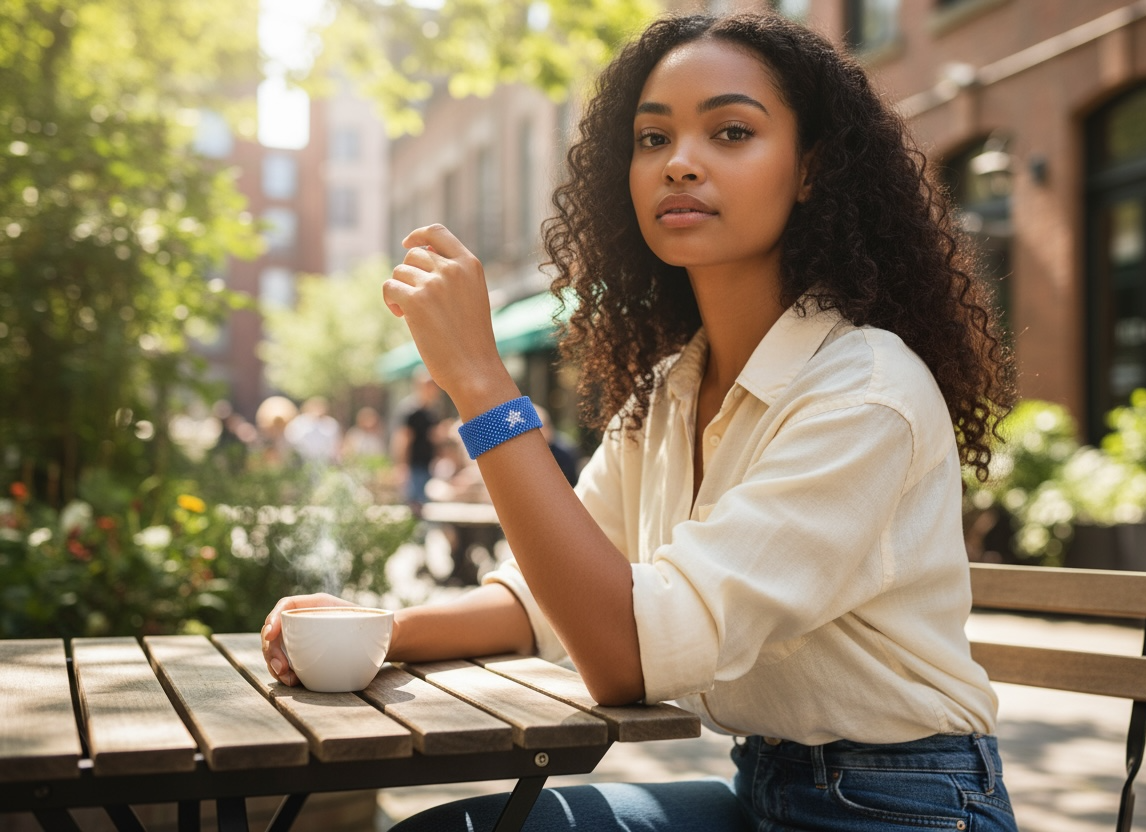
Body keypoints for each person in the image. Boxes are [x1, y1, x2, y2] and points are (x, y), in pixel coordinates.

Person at [262, 12, 1017, 831]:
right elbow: (546, 600)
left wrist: (481, 385)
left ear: (811, 170)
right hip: (760, 790)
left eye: (731, 131)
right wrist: (377, 631)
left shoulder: (863, 392)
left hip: (905, 808)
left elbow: (623, 655)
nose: (679, 163)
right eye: (652, 139)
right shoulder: (671, 389)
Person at [392, 373, 441, 516]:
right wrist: (402, 465)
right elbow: (403, 440)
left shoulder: (432, 412)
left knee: (424, 506)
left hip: (427, 465)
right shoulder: (410, 411)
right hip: (414, 466)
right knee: (414, 506)